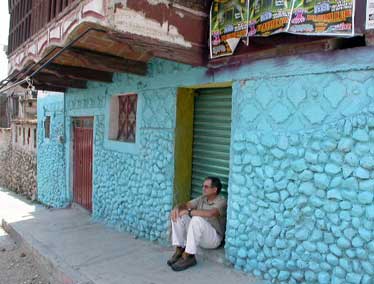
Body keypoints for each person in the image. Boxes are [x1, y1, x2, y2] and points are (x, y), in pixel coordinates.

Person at [168, 176, 227, 271]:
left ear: (215, 189)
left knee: (196, 219)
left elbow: (210, 213)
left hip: (213, 239)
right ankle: (179, 249)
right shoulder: (202, 198)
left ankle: (189, 256)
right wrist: (177, 207)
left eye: (206, 187)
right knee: (178, 214)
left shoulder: (222, 201)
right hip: (199, 235)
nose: (203, 188)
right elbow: (186, 205)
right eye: (203, 186)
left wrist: (189, 212)